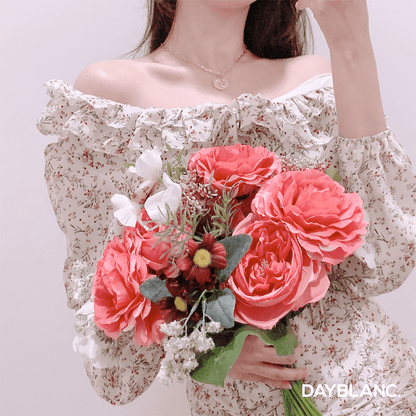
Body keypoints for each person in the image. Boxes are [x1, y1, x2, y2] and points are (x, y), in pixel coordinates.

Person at [37, 0, 416, 414]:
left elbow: (386, 255)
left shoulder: (312, 83)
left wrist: (351, 43)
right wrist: (210, 350)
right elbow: (106, 306)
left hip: (365, 383)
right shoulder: (111, 100)